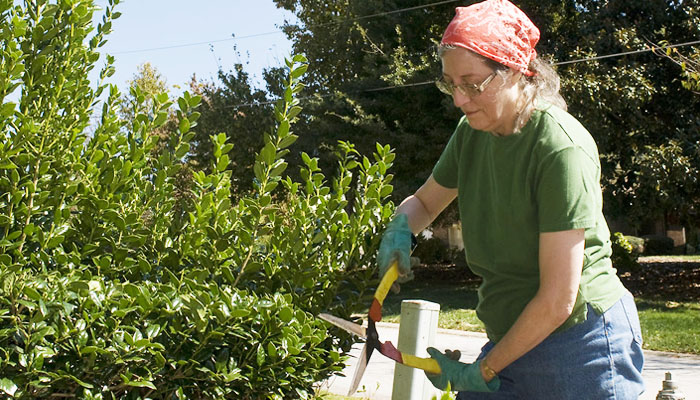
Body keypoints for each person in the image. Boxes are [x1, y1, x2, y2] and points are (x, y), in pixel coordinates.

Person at [376, 0, 645, 398]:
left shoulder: (559, 149)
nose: (459, 100)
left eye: (472, 83)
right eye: (451, 84)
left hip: (580, 342)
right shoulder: (472, 132)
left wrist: (482, 371)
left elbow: (557, 299)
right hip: (511, 337)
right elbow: (427, 203)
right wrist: (401, 228)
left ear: (517, 71)